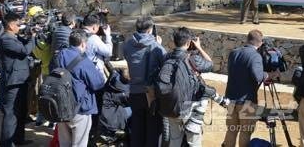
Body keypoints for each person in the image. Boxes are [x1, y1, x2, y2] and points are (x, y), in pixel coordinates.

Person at [53, 29, 106, 147]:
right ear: (83, 43)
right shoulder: (84, 61)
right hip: (80, 109)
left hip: (61, 105)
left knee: (64, 143)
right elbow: (98, 84)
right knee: (79, 144)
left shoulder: (60, 54)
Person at [223, 29, 274, 147]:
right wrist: (270, 75)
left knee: (231, 130)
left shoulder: (234, 52)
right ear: (260, 43)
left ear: (247, 39)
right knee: (245, 132)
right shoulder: (255, 56)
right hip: (246, 101)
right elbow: (258, 77)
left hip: (230, 99)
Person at [165, 27, 214, 147]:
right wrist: (199, 47)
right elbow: (210, 64)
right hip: (190, 107)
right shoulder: (193, 59)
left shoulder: (167, 57)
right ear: (188, 43)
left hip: (171, 105)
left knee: (175, 140)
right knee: (193, 140)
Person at [123, 16, 166, 147]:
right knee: (153, 129)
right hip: (151, 94)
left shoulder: (128, 45)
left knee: (137, 128)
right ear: (150, 30)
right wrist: (159, 45)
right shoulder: (155, 46)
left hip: (134, 92)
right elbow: (165, 64)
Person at [0, 12, 36, 146]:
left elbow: (25, 44)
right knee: (11, 114)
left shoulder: (14, 37)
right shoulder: (6, 39)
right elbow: (25, 50)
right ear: (10, 25)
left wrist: (31, 33)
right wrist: (32, 38)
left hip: (22, 79)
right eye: (18, 24)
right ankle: (7, 143)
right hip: (13, 82)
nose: (20, 27)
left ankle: (18, 139)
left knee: (21, 112)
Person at [82, 14, 113, 80]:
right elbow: (109, 52)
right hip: (93, 74)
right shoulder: (94, 39)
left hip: (80, 71)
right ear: (94, 27)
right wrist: (108, 35)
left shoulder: (75, 34)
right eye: (98, 27)